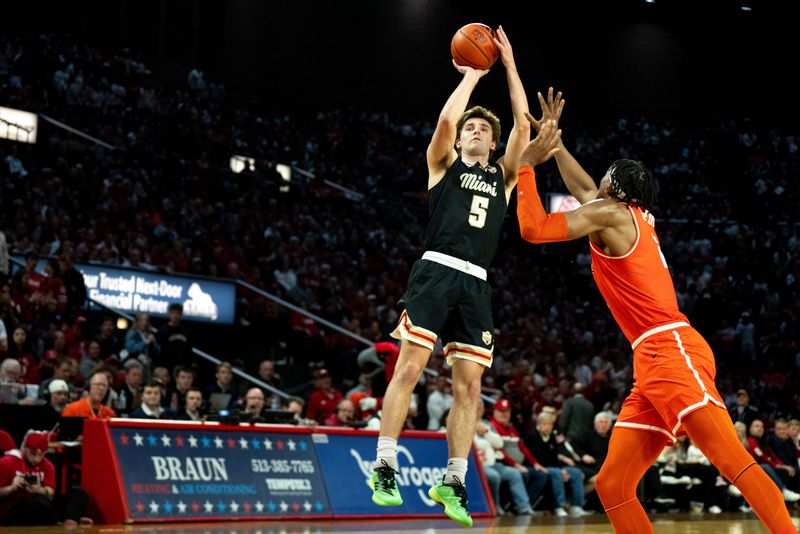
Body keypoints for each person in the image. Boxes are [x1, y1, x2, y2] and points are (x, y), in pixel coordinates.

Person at [513, 88, 796, 533]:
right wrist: (557, 145)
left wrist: (527, 163)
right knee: (612, 483)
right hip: (655, 358)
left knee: (731, 459)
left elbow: (534, 228)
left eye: (604, 178)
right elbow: (585, 188)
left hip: (670, 349)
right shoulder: (631, 216)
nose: (596, 183)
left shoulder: (611, 215)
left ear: (616, 189)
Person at [369, 26, 535, 528]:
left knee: (470, 388)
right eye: (472, 130)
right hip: (437, 271)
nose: (478, 132)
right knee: (410, 370)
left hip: (476, 283)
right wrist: (471, 75)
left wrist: (508, 66)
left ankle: (455, 481)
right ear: (461, 138)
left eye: (485, 130)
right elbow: (446, 118)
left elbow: (524, 128)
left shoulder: (502, 176)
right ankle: (383, 467)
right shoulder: (441, 165)